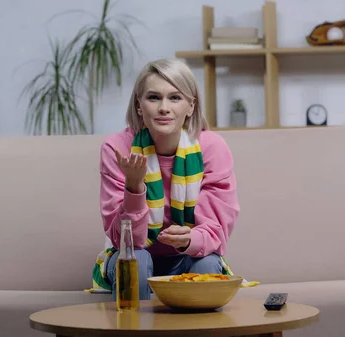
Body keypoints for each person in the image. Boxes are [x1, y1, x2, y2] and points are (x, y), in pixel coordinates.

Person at [94, 58, 240, 300]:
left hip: (189, 257)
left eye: (175, 98)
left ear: (190, 106)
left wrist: (190, 239)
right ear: (139, 106)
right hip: (134, 255)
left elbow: (216, 229)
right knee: (137, 261)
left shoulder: (212, 147)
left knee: (206, 266)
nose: (164, 107)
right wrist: (134, 186)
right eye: (153, 97)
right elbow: (124, 241)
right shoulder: (117, 148)